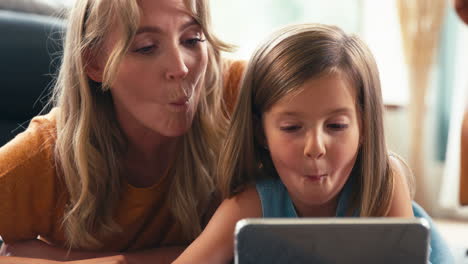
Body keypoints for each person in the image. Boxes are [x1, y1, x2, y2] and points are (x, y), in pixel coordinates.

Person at [173, 23, 454, 264]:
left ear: (364, 127)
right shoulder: (251, 204)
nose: (315, 147)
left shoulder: (384, 181)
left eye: (336, 126)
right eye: (292, 128)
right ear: (261, 133)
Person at [0, 0, 245, 263]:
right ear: (94, 63)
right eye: (146, 48)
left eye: (192, 39)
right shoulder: (40, 157)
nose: (180, 67)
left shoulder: (242, 94)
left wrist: (87, 260)